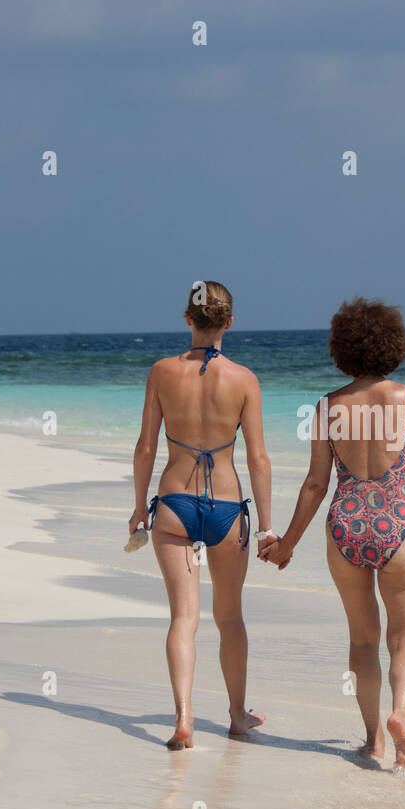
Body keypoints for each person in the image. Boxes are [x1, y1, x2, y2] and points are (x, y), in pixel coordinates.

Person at [260, 297, 405, 773]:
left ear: (341, 347)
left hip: (346, 523)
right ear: (394, 345)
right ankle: (399, 718)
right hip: (399, 523)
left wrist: (286, 544)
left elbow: (315, 484)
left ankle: (372, 742)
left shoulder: (327, 407)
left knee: (362, 640)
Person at [130, 281, 276, 748]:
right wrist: (269, 526)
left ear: (186, 319)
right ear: (230, 322)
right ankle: (236, 715)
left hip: (173, 504)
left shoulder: (160, 372)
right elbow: (257, 459)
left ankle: (185, 718)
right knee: (230, 618)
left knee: (183, 619)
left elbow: (147, 446)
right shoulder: (244, 379)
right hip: (228, 510)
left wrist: (138, 507)